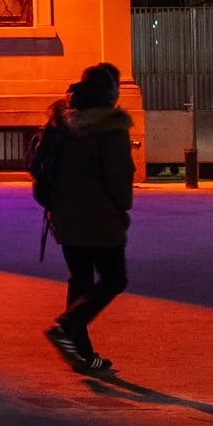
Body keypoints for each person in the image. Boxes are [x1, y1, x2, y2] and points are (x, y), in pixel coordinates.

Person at [39, 62, 134, 373]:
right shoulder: (110, 127)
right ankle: (68, 325)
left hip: (64, 215)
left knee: (80, 279)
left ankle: (81, 353)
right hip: (100, 216)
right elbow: (119, 178)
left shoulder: (61, 121)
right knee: (114, 278)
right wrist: (122, 209)